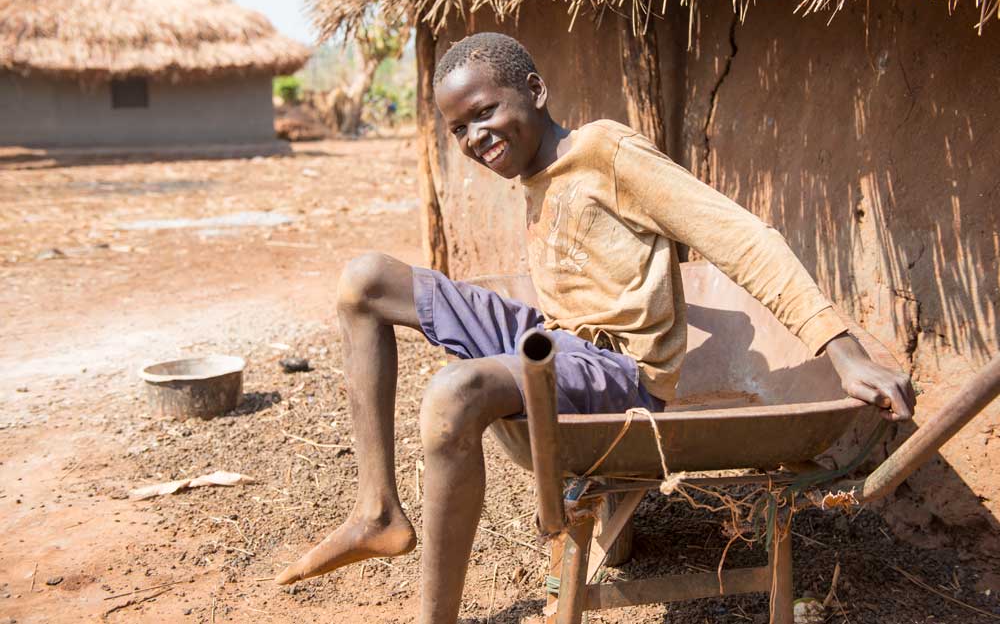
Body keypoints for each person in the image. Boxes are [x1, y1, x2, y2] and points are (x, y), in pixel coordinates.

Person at [275, 32, 915, 621]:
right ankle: (377, 509)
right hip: (558, 337)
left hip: (618, 371)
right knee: (364, 279)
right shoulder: (532, 173)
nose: (474, 136)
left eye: (485, 112)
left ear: (535, 91)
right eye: (459, 128)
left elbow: (743, 239)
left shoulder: (607, 151)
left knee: (453, 394)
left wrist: (843, 351)